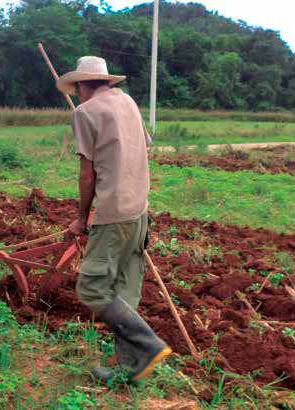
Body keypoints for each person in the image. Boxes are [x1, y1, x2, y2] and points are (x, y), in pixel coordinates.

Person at [57, 56, 171, 383]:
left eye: (77, 87)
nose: (77, 93)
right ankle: (130, 370)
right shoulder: (128, 102)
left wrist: (81, 218)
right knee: (124, 291)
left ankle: (148, 346)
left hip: (112, 214)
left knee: (92, 289)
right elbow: (138, 150)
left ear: (82, 84)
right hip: (139, 211)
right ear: (105, 81)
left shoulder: (85, 112)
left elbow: (87, 174)